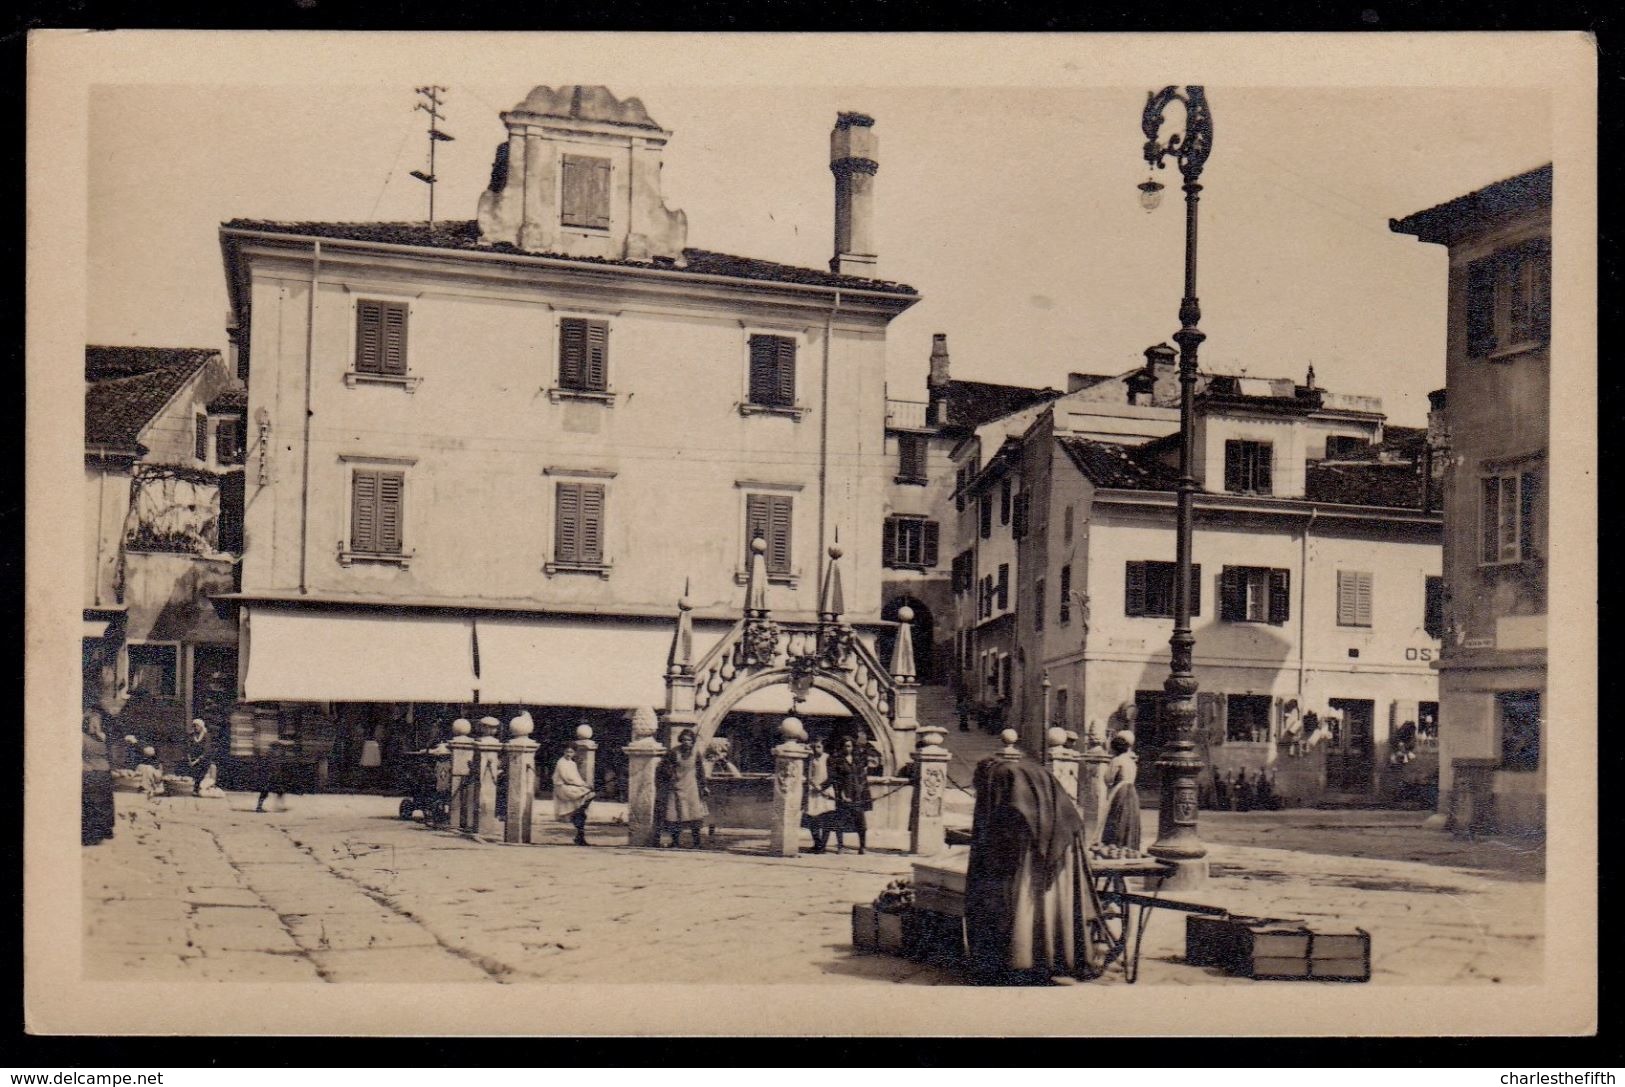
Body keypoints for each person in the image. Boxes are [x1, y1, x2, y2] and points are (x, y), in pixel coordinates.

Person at [965, 753, 1104, 984]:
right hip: (1062, 838)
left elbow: (1005, 821)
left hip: (1034, 844)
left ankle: (1027, 959)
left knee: (1028, 901)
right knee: (1056, 903)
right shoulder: (1019, 770)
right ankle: (1058, 956)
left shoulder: (999, 776)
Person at [659, 728, 709, 848]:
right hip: (676, 787)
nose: (687, 742)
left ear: (692, 742)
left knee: (694, 816)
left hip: (692, 788)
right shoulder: (673, 752)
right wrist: (671, 774)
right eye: (684, 739)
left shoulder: (696, 753)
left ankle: (697, 843)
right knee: (675, 816)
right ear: (681, 740)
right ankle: (675, 842)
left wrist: (704, 786)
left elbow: (700, 771)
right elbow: (664, 767)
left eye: (689, 740)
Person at [825, 734, 873, 854]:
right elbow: (835, 779)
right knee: (840, 821)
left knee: (861, 823)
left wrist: (864, 794)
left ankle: (862, 846)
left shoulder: (858, 760)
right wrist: (840, 794)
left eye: (849, 746)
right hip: (844, 795)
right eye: (845, 746)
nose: (847, 748)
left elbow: (863, 777)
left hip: (857, 795)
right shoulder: (837, 761)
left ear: (853, 746)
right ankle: (840, 846)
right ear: (841, 747)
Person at [1100, 730, 1141, 850]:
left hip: (1120, 790)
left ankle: (1116, 844)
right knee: (1130, 816)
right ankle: (1129, 844)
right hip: (1132, 790)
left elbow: (1108, 779)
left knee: (1117, 816)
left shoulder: (1117, 760)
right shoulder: (1131, 761)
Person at [82, 710, 115, 846]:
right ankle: (93, 834)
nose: (95, 726)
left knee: (102, 804)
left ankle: (102, 831)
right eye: (93, 723)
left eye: (97, 723)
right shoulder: (84, 737)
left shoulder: (100, 737)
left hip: (101, 773)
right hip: (93, 772)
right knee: (95, 805)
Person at [552, 744, 595, 846]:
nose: (568, 754)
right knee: (588, 795)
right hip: (563, 788)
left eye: (571, 752)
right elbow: (568, 778)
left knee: (588, 797)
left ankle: (579, 831)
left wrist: (585, 785)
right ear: (563, 752)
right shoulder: (561, 763)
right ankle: (578, 813)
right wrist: (585, 785)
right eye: (567, 752)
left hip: (571, 787)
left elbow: (576, 777)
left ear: (574, 753)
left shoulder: (572, 763)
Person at [803, 737, 836, 853]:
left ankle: (823, 845)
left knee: (826, 818)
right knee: (813, 818)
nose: (816, 749)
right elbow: (808, 774)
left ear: (823, 747)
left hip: (825, 791)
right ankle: (817, 843)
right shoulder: (810, 759)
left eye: (819, 747)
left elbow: (832, 776)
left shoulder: (828, 758)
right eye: (814, 747)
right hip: (813, 791)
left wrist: (822, 787)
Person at [256, 738, 295, 812]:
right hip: (269, 776)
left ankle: (279, 806)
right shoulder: (271, 755)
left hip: (273, 776)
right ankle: (259, 807)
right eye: (279, 747)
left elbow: (277, 767)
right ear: (275, 747)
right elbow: (270, 767)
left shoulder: (274, 755)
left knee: (280, 791)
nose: (281, 749)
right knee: (265, 792)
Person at [184, 718, 212, 797]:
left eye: (197, 726)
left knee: (201, 770)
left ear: (201, 726)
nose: (195, 727)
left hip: (203, 759)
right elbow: (188, 748)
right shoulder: (192, 735)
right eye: (194, 726)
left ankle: (198, 788)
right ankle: (194, 788)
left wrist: (197, 760)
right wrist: (189, 758)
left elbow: (207, 750)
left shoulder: (206, 736)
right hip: (193, 758)